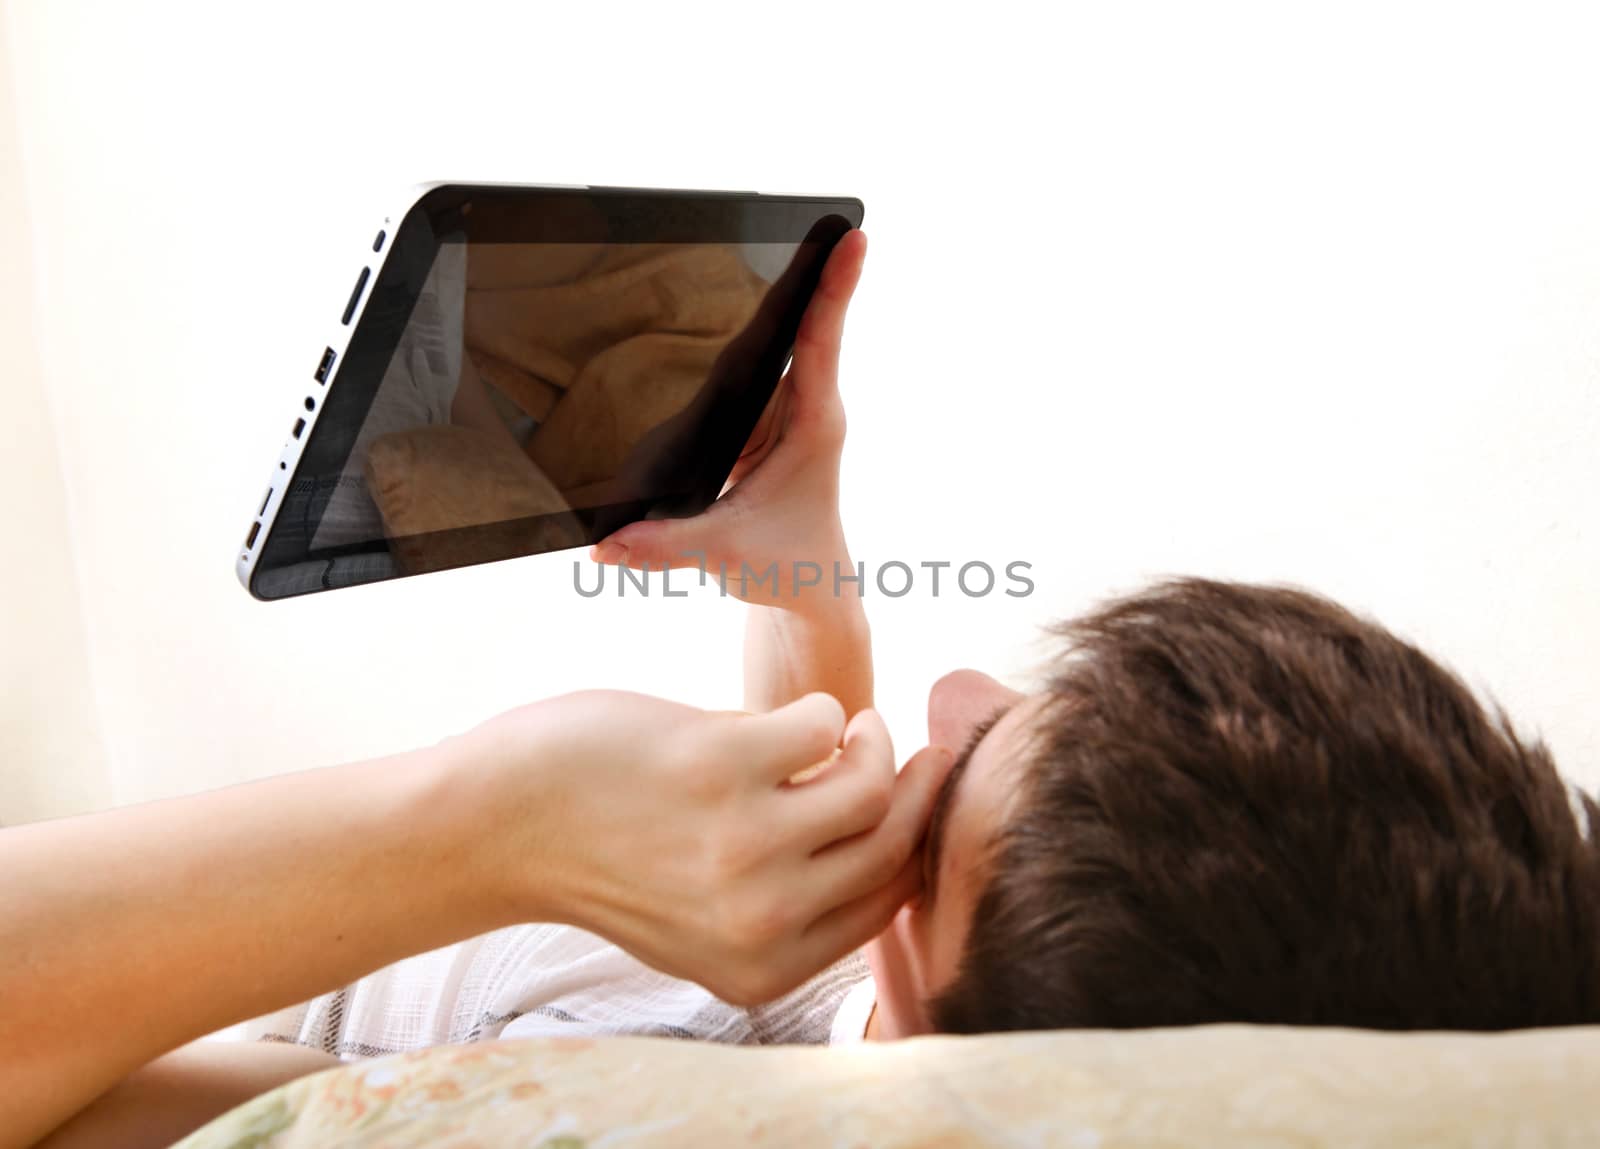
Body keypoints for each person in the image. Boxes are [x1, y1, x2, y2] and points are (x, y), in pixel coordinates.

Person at [13, 231, 1600, 1149]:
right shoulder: (865, 973)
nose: (953, 692)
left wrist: (487, 820)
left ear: (926, 1044)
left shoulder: (530, 1095)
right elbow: (833, 849)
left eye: (955, 782)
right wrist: (794, 552)